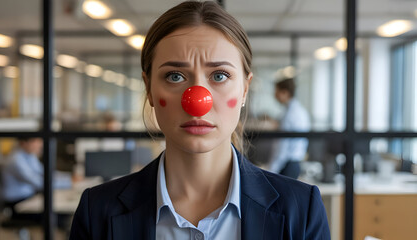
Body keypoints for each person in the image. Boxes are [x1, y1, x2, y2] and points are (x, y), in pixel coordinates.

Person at [70, 1, 330, 239]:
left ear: (244, 90)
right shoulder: (97, 212)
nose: (196, 101)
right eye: (174, 76)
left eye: (219, 76)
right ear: (149, 89)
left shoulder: (301, 210)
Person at [268, 78, 311, 179]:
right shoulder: (300, 111)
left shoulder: (289, 114)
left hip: (286, 166)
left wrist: (271, 170)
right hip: (295, 164)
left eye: (276, 91)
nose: (274, 95)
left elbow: (282, 147)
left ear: (285, 92)